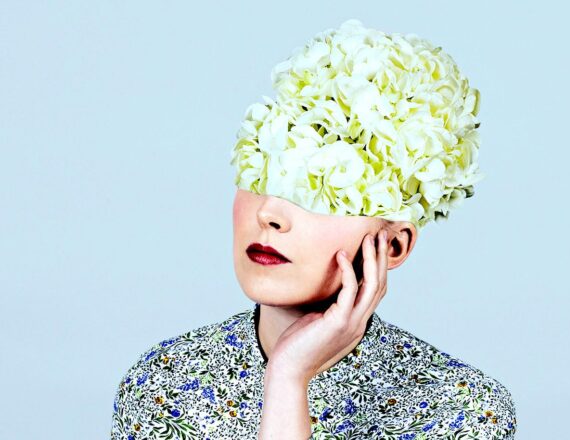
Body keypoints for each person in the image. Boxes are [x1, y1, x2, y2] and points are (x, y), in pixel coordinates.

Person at [111, 19, 516, 440]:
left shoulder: (463, 411)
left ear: (393, 246)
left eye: (323, 194)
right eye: (261, 175)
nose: (269, 213)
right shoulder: (162, 387)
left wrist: (288, 378)